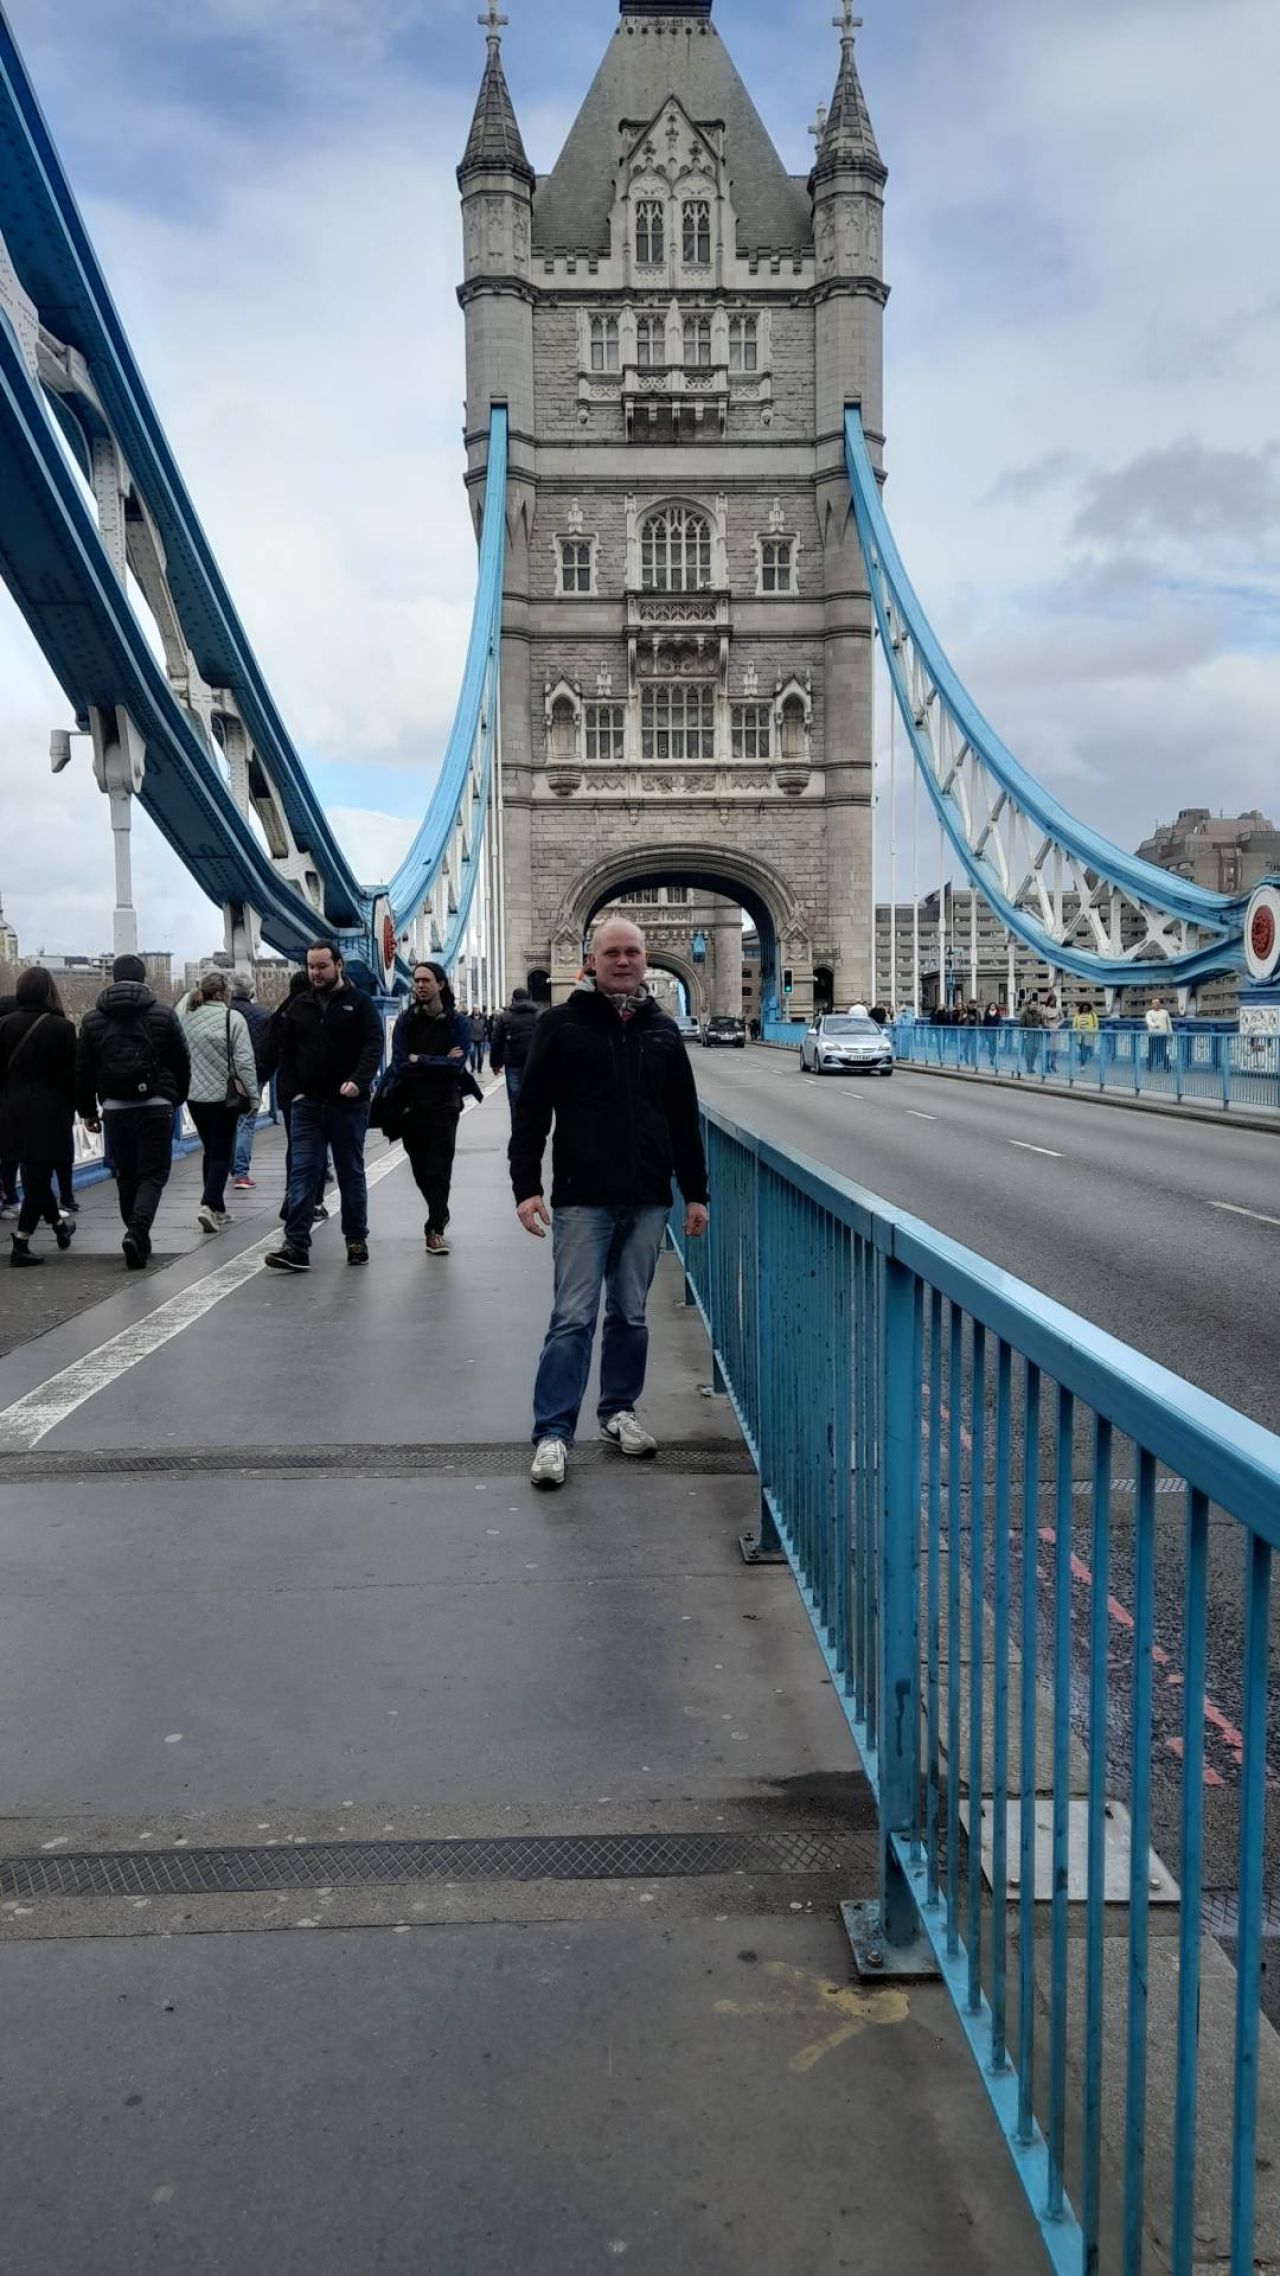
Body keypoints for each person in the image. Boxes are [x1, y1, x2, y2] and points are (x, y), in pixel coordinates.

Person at [511, 915, 709, 1491]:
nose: (623, 961)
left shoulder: (662, 1029)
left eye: (633, 953)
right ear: (591, 962)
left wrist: (695, 1192)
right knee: (572, 1317)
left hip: (648, 1197)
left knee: (631, 1315)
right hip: (583, 1197)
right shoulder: (560, 1024)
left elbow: (683, 1117)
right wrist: (526, 1186)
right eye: (612, 953)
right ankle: (553, 1433)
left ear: (645, 960)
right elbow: (531, 1111)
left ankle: (618, 1411)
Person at [261, 942, 383, 1273]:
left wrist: (359, 1080)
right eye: (310, 967)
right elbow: (284, 1051)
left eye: (321, 966)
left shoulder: (360, 1003)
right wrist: (293, 1093)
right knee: (303, 1172)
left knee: (350, 1172)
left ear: (338, 965)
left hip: (348, 1104)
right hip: (308, 1105)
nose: (315, 973)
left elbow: (374, 1046)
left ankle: (356, 1239)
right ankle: (296, 1246)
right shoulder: (299, 1005)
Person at [77, 954, 190, 1270]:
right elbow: (181, 1061)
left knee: (126, 1176)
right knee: (153, 1175)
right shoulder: (163, 1014)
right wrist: (176, 1097)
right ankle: (137, 1232)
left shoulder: (92, 1020)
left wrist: (87, 1111)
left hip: (115, 1108)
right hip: (156, 1105)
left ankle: (136, 1235)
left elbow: (82, 1070)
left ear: (113, 978)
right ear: (144, 978)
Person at [390, 961, 471, 1256]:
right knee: (419, 1168)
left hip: (445, 1105)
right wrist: (440, 1061)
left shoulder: (458, 1023)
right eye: (417, 980)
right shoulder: (405, 1021)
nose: (420, 985)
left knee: (439, 1168)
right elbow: (400, 1064)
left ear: (441, 984)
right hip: (411, 1105)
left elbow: (457, 1067)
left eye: (426, 980)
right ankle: (441, 1210)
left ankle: (434, 1228)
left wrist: (420, 1060)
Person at [0, 968, 78, 1268]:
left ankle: (59, 1226)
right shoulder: (62, 1028)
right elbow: (72, 1077)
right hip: (49, 1113)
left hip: (10, 1112)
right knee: (38, 1178)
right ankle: (21, 1242)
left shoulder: (4, 1025)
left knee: (35, 1176)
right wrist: (81, 1110)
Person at [178, 970, 259, 1235]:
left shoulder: (186, 1015)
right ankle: (209, 1204)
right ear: (223, 993)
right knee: (222, 1152)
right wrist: (254, 1097)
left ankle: (218, 1208)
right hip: (224, 1097)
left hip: (193, 1095)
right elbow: (244, 1062)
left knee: (210, 1150)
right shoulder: (231, 1018)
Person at [229, 976, 270, 1190]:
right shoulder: (263, 1015)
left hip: (225, 1076)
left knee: (228, 1123)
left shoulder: (223, 1013)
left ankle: (231, 1167)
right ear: (251, 992)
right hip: (254, 1075)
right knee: (246, 1122)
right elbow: (269, 1048)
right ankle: (241, 1173)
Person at [488, 986, 540, 1117]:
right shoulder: (538, 1016)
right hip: (534, 1064)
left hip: (512, 1064)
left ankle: (517, 1127)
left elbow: (496, 1041)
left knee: (515, 1099)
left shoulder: (505, 1017)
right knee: (534, 1098)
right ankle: (532, 1126)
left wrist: (495, 1064)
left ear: (513, 999)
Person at [1145, 996, 1172, 1073]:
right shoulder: (1149, 1013)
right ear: (1152, 1004)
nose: (1157, 1004)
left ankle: (1167, 1067)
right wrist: (1154, 1025)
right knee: (1151, 1051)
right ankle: (1149, 1066)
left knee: (1164, 1051)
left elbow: (1169, 1024)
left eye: (1158, 1002)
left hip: (1163, 1035)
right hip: (1153, 1035)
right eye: (1155, 1003)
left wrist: (1170, 1033)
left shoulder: (1165, 1012)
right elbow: (1148, 1021)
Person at [1073, 1001, 1099, 1067]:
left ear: (1089, 1008)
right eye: (1084, 1008)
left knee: (1085, 1050)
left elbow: (1096, 1025)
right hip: (1080, 1035)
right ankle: (1082, 1063)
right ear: (1082, 1008)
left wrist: (1094, 1031)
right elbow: (1074, 1024)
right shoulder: (1078, 1014)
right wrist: (1075, 1030)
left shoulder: (1092, 1015)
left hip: (1089, 1034)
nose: (1085, 1009)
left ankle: (1082, 1064)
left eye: (1086, 1008)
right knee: (1082, 1050)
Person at [467, 1007, 488, 1076]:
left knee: (481, 1055)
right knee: (471, 1053)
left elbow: (487, 1027)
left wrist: (486, 1031)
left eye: (477, 1009)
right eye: (475, 1009)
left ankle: (479, 1069)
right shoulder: (469, 1018)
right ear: (473, 1010)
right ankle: (473, 1067)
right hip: (472, 1039)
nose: (476, 1011)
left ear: (479, 1010)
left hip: (481, 1039)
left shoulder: (483, 1018)